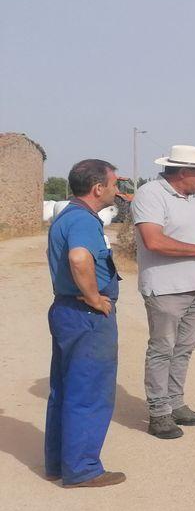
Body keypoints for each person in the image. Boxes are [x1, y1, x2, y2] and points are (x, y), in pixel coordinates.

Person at [131, 145, 195, 439]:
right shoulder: (150, 194)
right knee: (162, 349)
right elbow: (153, 241)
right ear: (183, 172)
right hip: (165, 288)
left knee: (184, 348)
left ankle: (176, 403)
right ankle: (159, 413)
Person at [45, 159, 125, 487]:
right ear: (98, 188)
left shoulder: (67, 215)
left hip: (66, 312)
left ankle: (59, 463)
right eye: (114, 184)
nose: (118, 190)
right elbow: (79, 258)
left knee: (64, 390)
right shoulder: (83, 221)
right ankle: (82, 469)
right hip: (87, 316)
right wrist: (94, 298)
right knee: (89, 392)